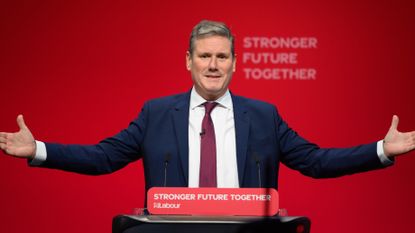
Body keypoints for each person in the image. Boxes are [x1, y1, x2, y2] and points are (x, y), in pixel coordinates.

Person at [1, 20, 415, 193]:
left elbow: (315, 161)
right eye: (204, 56)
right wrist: (38, 150)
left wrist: (381, 149)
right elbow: (105, 156)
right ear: (188, 61)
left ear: (235, 63)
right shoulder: (157, 113)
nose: (213, 65)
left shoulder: (265, 116)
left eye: (221, 57)